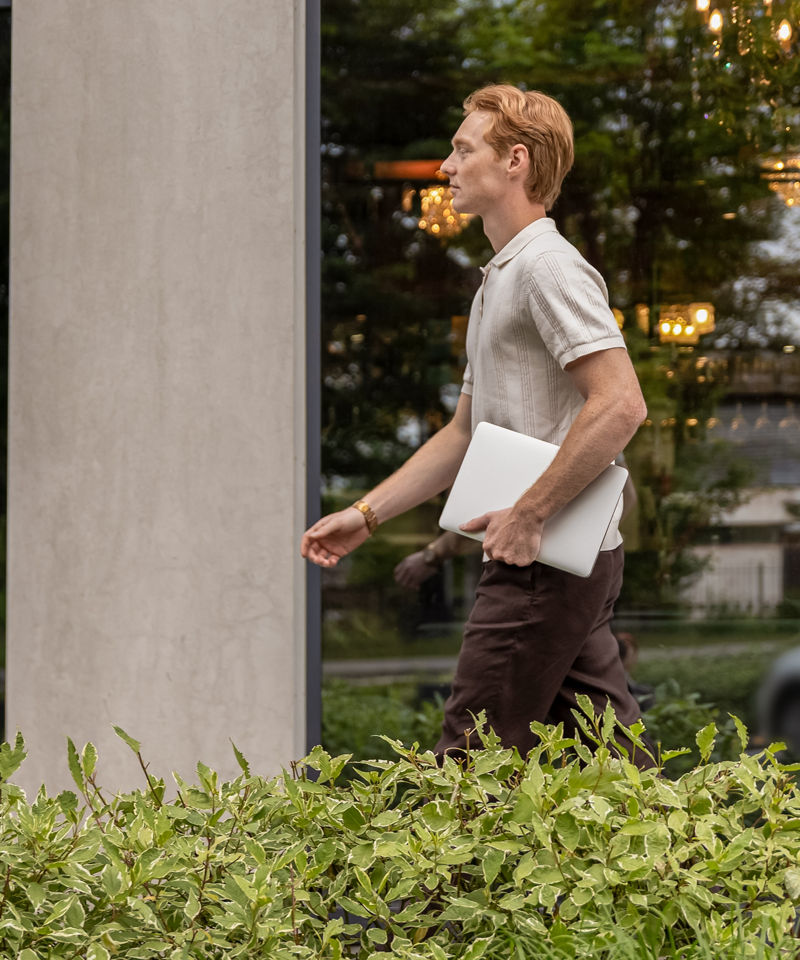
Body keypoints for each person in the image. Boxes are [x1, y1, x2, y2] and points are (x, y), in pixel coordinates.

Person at [302, 84, 651, 766]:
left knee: (470, 762)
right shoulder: (502, 277)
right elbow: (464, 433)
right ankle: (693, 870)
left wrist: (529, 512)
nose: (446, 167)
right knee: (614, 771)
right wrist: (366, 514)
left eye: (464, 150)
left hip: (537, 558)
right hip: (558, 555)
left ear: (515, 161)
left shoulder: (547, 268)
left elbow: (620, 404)